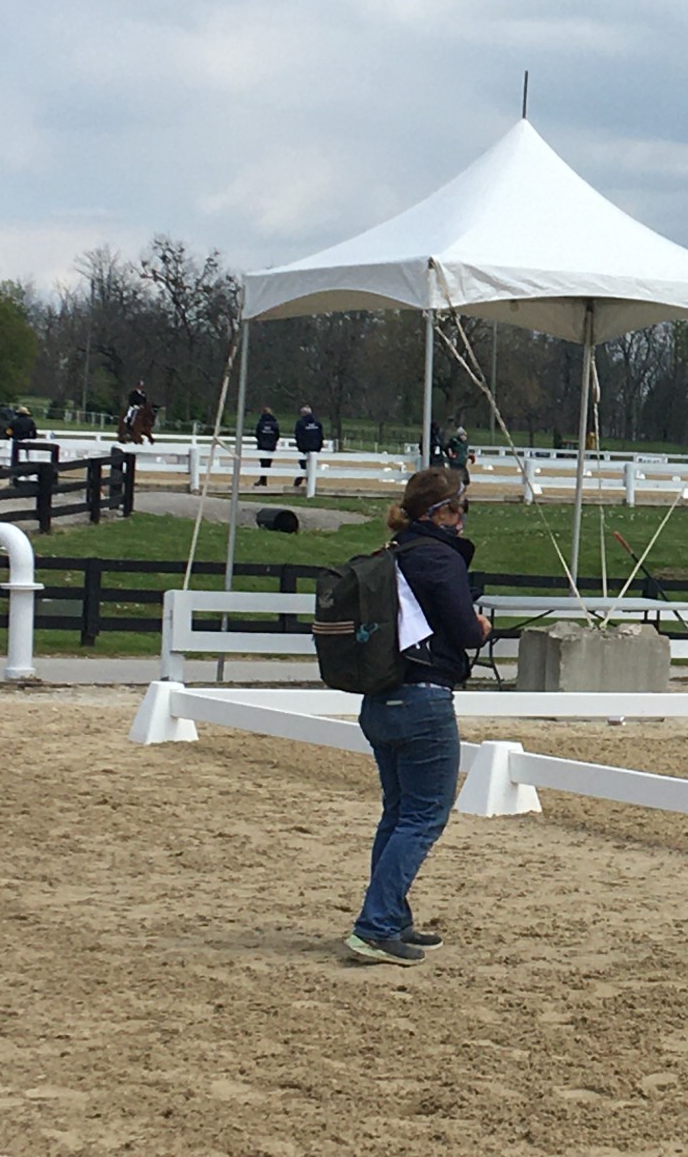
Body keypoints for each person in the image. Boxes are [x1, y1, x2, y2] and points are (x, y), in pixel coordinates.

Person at [345, 467, 490, 967]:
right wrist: (481, 625)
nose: (461, 519)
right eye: (456, 509)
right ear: (439, 514)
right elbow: (466, 633)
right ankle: (376, 925)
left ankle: (392, 915)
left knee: (398, 814)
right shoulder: (438, 558)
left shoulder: (395, 554)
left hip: (381, 699)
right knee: (425, 817)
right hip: (424, 702)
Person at [293, 405, 324, 488]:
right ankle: (308, 483)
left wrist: (300, 447)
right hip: (315, 448)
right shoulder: (317, 423)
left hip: (304, 449)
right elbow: (320, 436)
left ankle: (304, 482)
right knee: (310, 467)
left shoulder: (300, 423)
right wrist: (319, 446)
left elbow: (298, 436)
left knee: (304, 466)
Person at [253, 406, 280, 486]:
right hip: (271, 446)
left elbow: (257, 434)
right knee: (268, 464)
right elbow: (277, 435)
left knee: (262, 464)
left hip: (262, 445)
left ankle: (263, 480)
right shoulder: (274, 424)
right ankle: (263, 480)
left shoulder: (260, 424)